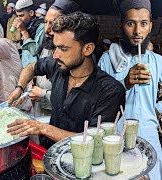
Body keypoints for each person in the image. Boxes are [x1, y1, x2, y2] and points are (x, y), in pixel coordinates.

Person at [7, 12, 126, 149]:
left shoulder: (110, 91)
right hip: (48, 154)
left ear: (88, 49)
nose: (56, 54)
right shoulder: (59, 67)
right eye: (56, 46)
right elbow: (32, 67)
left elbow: (93, 141)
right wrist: (19, 88)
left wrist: (44, 128)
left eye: (63, 48)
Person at [98, 0, 162, 178]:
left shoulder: (158, 62)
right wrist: (124, 84)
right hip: (117, 137)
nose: (137, 32)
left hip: (150, 136)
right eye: (130, 23)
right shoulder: (106, 60)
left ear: (150, 26)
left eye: (143, 24)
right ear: (121, 26)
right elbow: (98, 101)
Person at [30, 0, 82, 117]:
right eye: (46, 22)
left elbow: (78, 100)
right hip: (41, 116)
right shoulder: (48, 46)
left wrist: (43, 94)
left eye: (53, 24)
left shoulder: (79, 58)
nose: (46, 29)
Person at [13, 0, 45, 68]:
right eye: (17, 16)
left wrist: (23, 31)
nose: (19, 19)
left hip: (36, 70)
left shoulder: (41, 26)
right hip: (26, 68)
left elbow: (35, 51)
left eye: (21, 15)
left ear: (31, 13)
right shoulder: (28, 26)